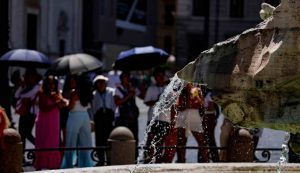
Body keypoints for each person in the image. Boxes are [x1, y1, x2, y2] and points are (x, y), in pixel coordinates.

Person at [60, 75, 94, 168]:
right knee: (85, 142)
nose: (71, 82)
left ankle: (68, 164)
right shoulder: (87, 92)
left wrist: (64, 103)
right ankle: (86, 164)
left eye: (73, 81)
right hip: (85, 116)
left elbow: (70, 107)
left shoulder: (74, 93)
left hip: (75, 116)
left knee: (70, 141)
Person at [34, 75, 67, 170]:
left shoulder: (57, 93)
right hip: (44, 122)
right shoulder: (42, 93)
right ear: (46, 84)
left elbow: (62, 105)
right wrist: (56, 103)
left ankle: (54, 165)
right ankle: (42, 165)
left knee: (54, 143)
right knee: (45, 143)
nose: (51, 85)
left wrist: (57, 98)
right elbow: (43, 108)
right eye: (49, 83)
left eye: (53, 83)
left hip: (54, 122)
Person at [175, 83, 209, 163]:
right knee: (181, 140)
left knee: (201, 139)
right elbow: (177, 105)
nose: (187, 83)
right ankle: (181, 160)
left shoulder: (197, 90)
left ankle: (206, 160)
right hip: (183, 115)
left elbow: (203, 105)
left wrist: (196, 96)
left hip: (194, 115)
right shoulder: (180, 90)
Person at [143, 67, 170, 163]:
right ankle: (148, 159)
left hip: (165, 118)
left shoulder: (168, 88)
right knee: (150, 139)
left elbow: (173, 102)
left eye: (162, 76)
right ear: (155, 77)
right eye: (158, 76)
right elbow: (146, 102)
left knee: (161, 140)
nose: (160, 77)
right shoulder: (151, 88)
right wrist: (157, 100)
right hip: (153, 118)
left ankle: (158, 160)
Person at [89, 75, 116, 166]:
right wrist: (92, 121)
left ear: (105, 83)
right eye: (99, 82)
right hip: (99, 118)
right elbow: (92, 109)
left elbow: (114, 105)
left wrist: (114, 117)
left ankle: (109, 159)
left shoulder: (111, 92)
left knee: (109, 139)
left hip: (109, 116)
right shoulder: (94, 94)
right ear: (96, 84)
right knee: (99, 140)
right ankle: (100, 160)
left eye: (102, 82)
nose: (101, 84)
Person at [114, 71, 141, 156]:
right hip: (123, 117)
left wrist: (140, 86)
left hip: (133, 117)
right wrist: (129, 96)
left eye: (128, 77)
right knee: (123, 136)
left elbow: (142, 95)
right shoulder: (117, 89)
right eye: (125, 77)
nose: (127, 79)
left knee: (135, 137)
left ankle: (134, 156)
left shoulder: (132, 88)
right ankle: (123, 155)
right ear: (122, 79)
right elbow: (117, 102)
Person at [14, 69, 41, 151]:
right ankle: (22, 154)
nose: (31, 78)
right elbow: (16, 95)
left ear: (36, 77)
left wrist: (23, 89)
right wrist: (21, 86)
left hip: (31, 113)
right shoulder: (26, 86)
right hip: (24, 112)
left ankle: (40, 148)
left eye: (33, 76)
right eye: (29, 76)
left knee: (27, 134)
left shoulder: (37, 87)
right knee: (21, 134)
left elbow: (26, 95)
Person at [201, 86, 220, 162]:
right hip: (206, 117)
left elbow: (211, 107)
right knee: (204, 138)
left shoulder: (210, 94)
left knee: (210, 138)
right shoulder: (202, 94)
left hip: (210, 117)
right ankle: (205, 158)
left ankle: (214, 158)